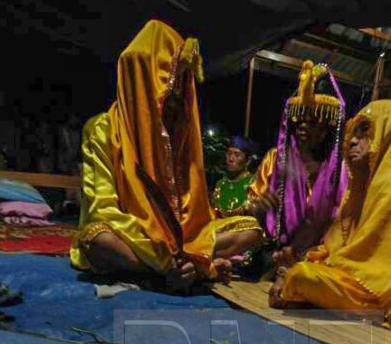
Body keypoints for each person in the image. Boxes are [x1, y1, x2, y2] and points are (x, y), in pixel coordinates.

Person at [71, 20, 261, 287]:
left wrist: (187, 247)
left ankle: (180, 268)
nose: (173, 109)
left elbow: (192, 211)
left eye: (178, 100)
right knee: (96, 239)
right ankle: (172, 272)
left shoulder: (179, 133)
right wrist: (164, 259)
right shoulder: (102, 129)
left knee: (249, 230)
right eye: (164, 98)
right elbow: (103, 210)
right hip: (134, 235)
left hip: (182, 239)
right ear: (140, 87)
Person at [269, 100, 391, 343]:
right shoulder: (366, 184)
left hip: (385, 295)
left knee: (303, 276)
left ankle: (303, 291)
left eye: (365, 132)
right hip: (365, 278)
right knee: (305, 269)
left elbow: (372, 266)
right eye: (354, 132)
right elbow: (342, 244)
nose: (351, 141)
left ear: (390, 135)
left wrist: (316, 265)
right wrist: (319, 257)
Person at [247, 60, 348, 264]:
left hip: (316, 255)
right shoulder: (275, 158)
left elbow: (342, 222)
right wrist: (258, 207)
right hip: (271, 250)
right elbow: (250, 207)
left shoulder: (340, 170)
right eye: (299, 119)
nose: (303, 126)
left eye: (312, 121)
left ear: (326, 128)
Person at [211, 135, 255, 217]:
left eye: (237, 155)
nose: (231, 159)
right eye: (229, 154)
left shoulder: (254, 185)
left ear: (248, 160)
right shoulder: (220, 184)